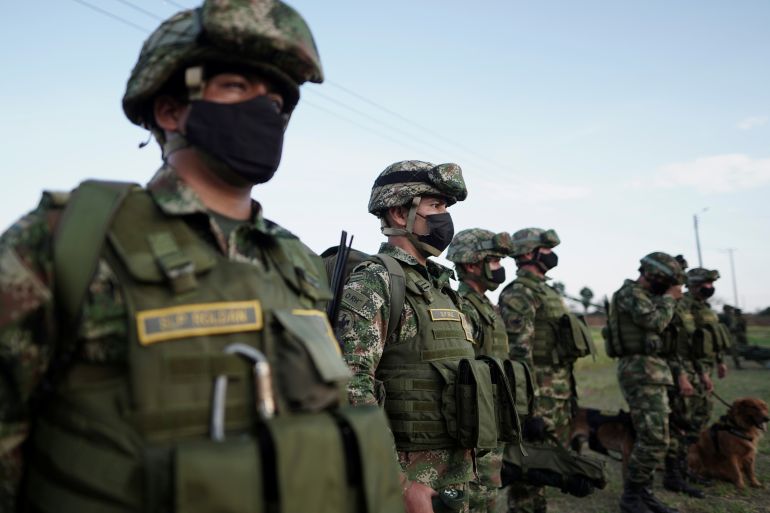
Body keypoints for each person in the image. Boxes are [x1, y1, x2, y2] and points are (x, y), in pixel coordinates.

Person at [0, 2, 401, 512]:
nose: (266, 111)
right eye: (236, 87)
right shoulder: (70, 241)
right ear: (170, 109)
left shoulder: (296, 262)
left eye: (277, 100)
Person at [336, 160, 511, 513]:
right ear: (401, 213)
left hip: (456, 475)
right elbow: (350, 386)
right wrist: (398, 484)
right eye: (436, 206)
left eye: (445, 207)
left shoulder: (443, 289)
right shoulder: (375, 282)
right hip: (409, 485)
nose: (444, 218)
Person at [498, 228, 594, 513]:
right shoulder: (519, 293)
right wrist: (529, 409)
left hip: (559, 391)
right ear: (528, 253)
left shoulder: (546, 291)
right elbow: (519, 354)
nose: (551, 255)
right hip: (539, 394)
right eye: (546, 249)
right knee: (530, 468)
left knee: (547, 465)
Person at [606, 252, 684, 513]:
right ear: (652, 275)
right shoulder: (630, 293)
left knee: (651, 436)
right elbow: (654, 321)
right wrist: (669, 299)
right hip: (640, 371)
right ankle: (631, 498)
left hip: (652, 370)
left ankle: (643, 494)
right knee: (654, 438)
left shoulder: (648, 297)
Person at [447, 228, 514, 512]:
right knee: (476, 497)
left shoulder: (485, 305)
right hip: (477, 421)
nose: (499, 269)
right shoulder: (464, 306)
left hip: (491, 414)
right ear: (473, 264)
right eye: (495, 261)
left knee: (488, 494)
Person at [681, 268, 731, 435]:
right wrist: (702, 373)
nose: (710, 287)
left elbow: (712, 336)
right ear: (693, 285)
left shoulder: (706, 307)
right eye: (706, 284)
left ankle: (696, 450)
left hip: (706, 367)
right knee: (692, 413)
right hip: (692, 368)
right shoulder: (684, 306)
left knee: (705, 411)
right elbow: (690, 342)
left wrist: (720, 361)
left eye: (711, 284)